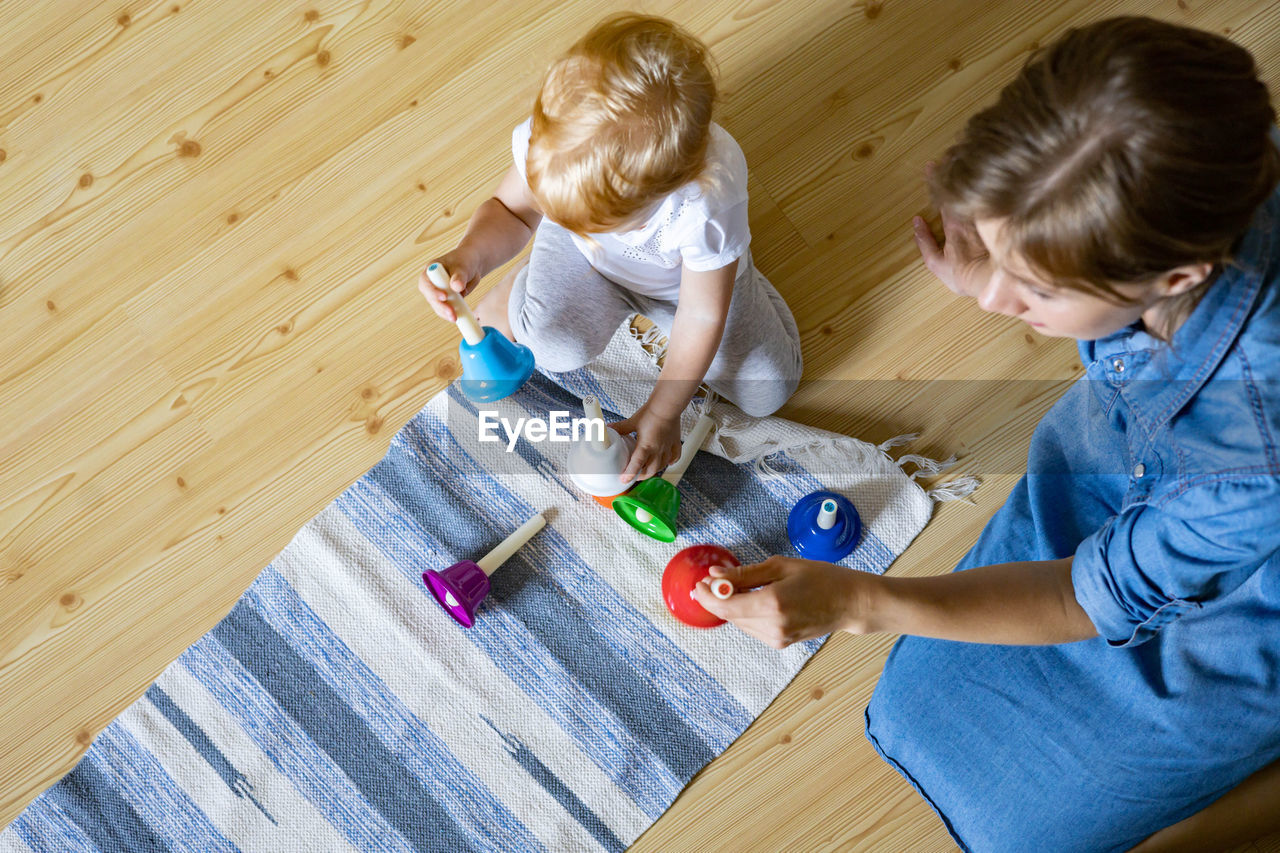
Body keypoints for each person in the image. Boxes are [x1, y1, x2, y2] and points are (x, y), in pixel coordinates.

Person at [694, 17, 1280, 852]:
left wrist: (862, 600)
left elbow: (1086, 595)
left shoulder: (1252, 450)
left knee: (1020, 829)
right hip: (1155, 467)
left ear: (1178, 277)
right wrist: (1010, 265)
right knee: (914, 705)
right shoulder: (1207, 140)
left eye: (1036, 291)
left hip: (1243, 571)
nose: (1001, 300)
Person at [418, 13, 802, 481]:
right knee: (551, 344)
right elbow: (513, 210)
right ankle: (521, 286)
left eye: (593, 219)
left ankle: (731, 267)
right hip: (590, 263)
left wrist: (663, 412)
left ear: (671, 189)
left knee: (770, 390)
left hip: (685, 287)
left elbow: (701, 316)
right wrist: (469, 254)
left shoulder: (706, 201)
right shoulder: (555, 140)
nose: (554, 215)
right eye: (559, 209)